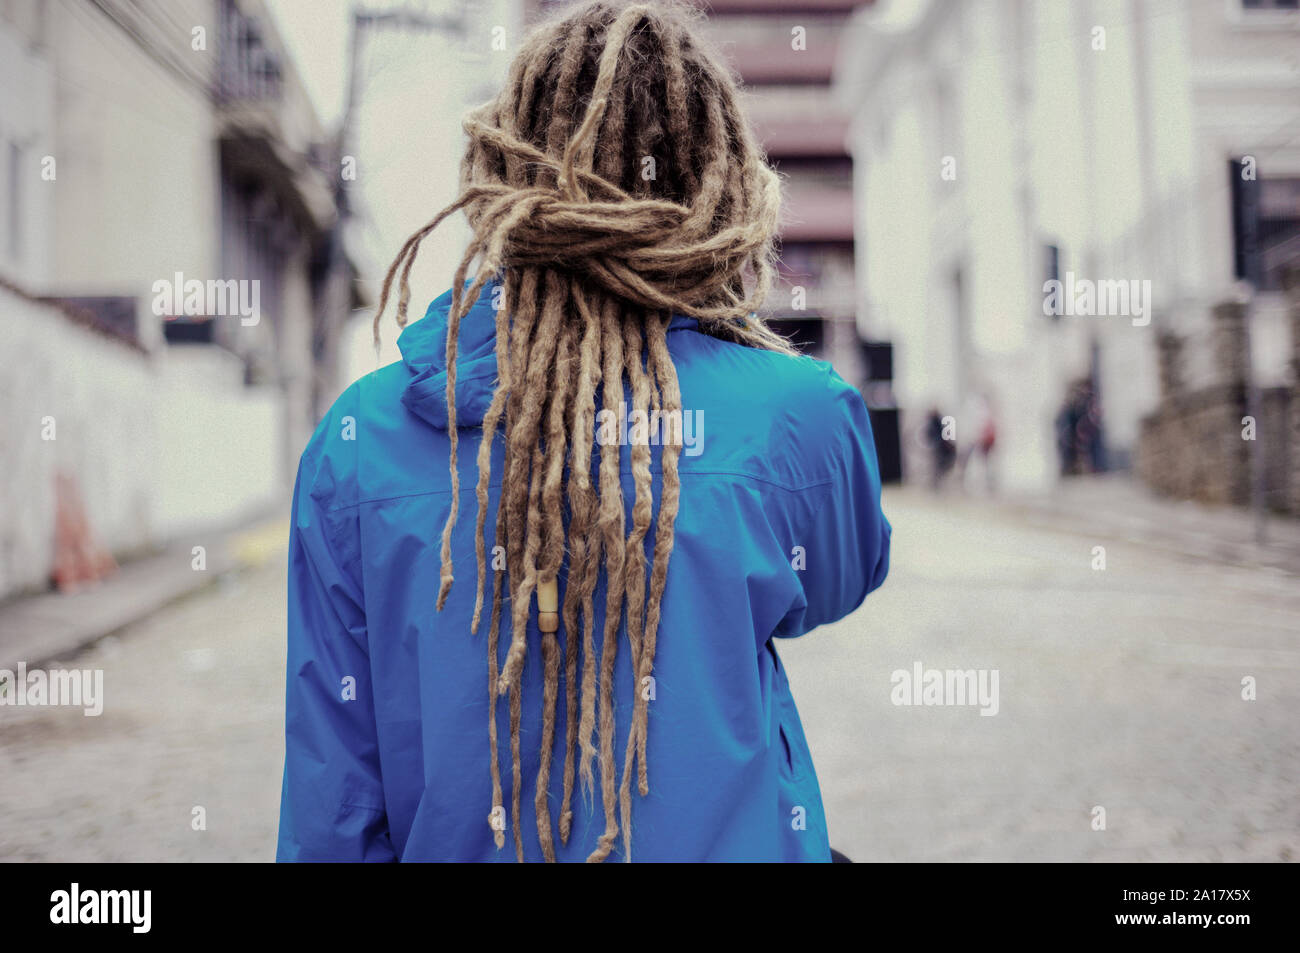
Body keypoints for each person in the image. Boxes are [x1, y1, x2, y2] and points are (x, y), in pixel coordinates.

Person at [277, 0, 891, 863]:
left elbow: (335, 793)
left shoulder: (355, 441)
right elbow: (834, 582)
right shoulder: (798, 412)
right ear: (717, 183)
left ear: (506, 171)